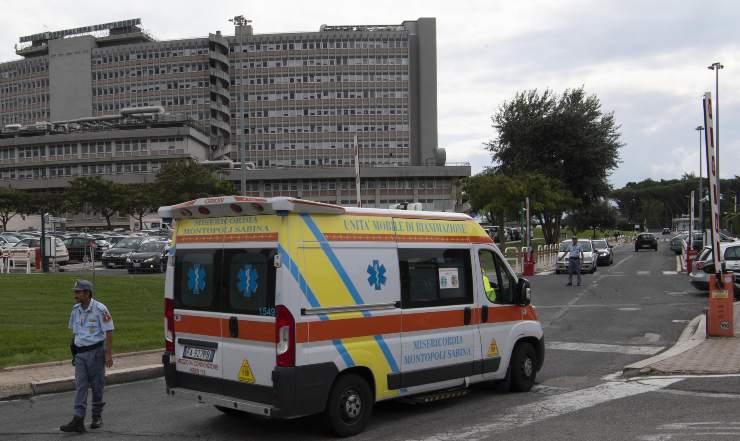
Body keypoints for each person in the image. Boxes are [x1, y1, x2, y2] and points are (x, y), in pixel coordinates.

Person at [60, 280, 114, 433]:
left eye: (78, 292)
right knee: (80, 386)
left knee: (97, 386)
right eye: (75, 292)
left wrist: (108, 354)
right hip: (80, 355)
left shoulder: (100, 309)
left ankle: (96, 416)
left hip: (96, 354)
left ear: (87, 293)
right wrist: (74, 348)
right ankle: (78, 419)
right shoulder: (76, 309)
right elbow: (75, 331)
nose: (75, 295)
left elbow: (109, 331)